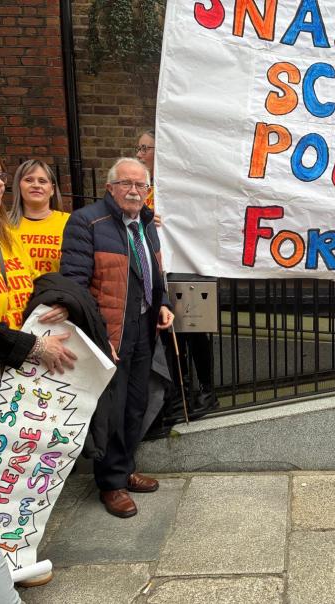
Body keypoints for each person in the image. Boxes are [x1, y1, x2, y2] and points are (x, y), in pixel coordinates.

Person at [0, 143, 75, 496]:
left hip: (12, 389)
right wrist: (35, 346)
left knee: (7, 495)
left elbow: (34, 286)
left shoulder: (3, 235)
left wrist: (59, 304)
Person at [61, 157, 174, 518]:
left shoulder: (145, 222)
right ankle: (111, 483)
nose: (134, 190)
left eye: (141, 185)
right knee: (112, 406)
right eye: (126, 183)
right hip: (110, 331)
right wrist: (96, 333)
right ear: (110, 187)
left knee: (136, 403)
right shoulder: (87, 221)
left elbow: (155, 270)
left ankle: (125, 468)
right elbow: (76, 284)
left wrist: (164, 303)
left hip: (143, 327)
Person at [135, 128, 217, 426]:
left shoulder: (182, 184)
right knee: (171, 334)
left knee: (195, 332)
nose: (140, 154)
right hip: (158, 269)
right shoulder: (141, 187)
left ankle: (207, 389)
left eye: (146, 148)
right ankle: (179, 392)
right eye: (139, 148)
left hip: (187, 264)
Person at [8, 159, 69, 275]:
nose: (36, 185)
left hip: (57, 291)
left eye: (42, 181)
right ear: (19, 186)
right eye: (28, 180)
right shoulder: (2, 224)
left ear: (52, 189)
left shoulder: (69, 222)